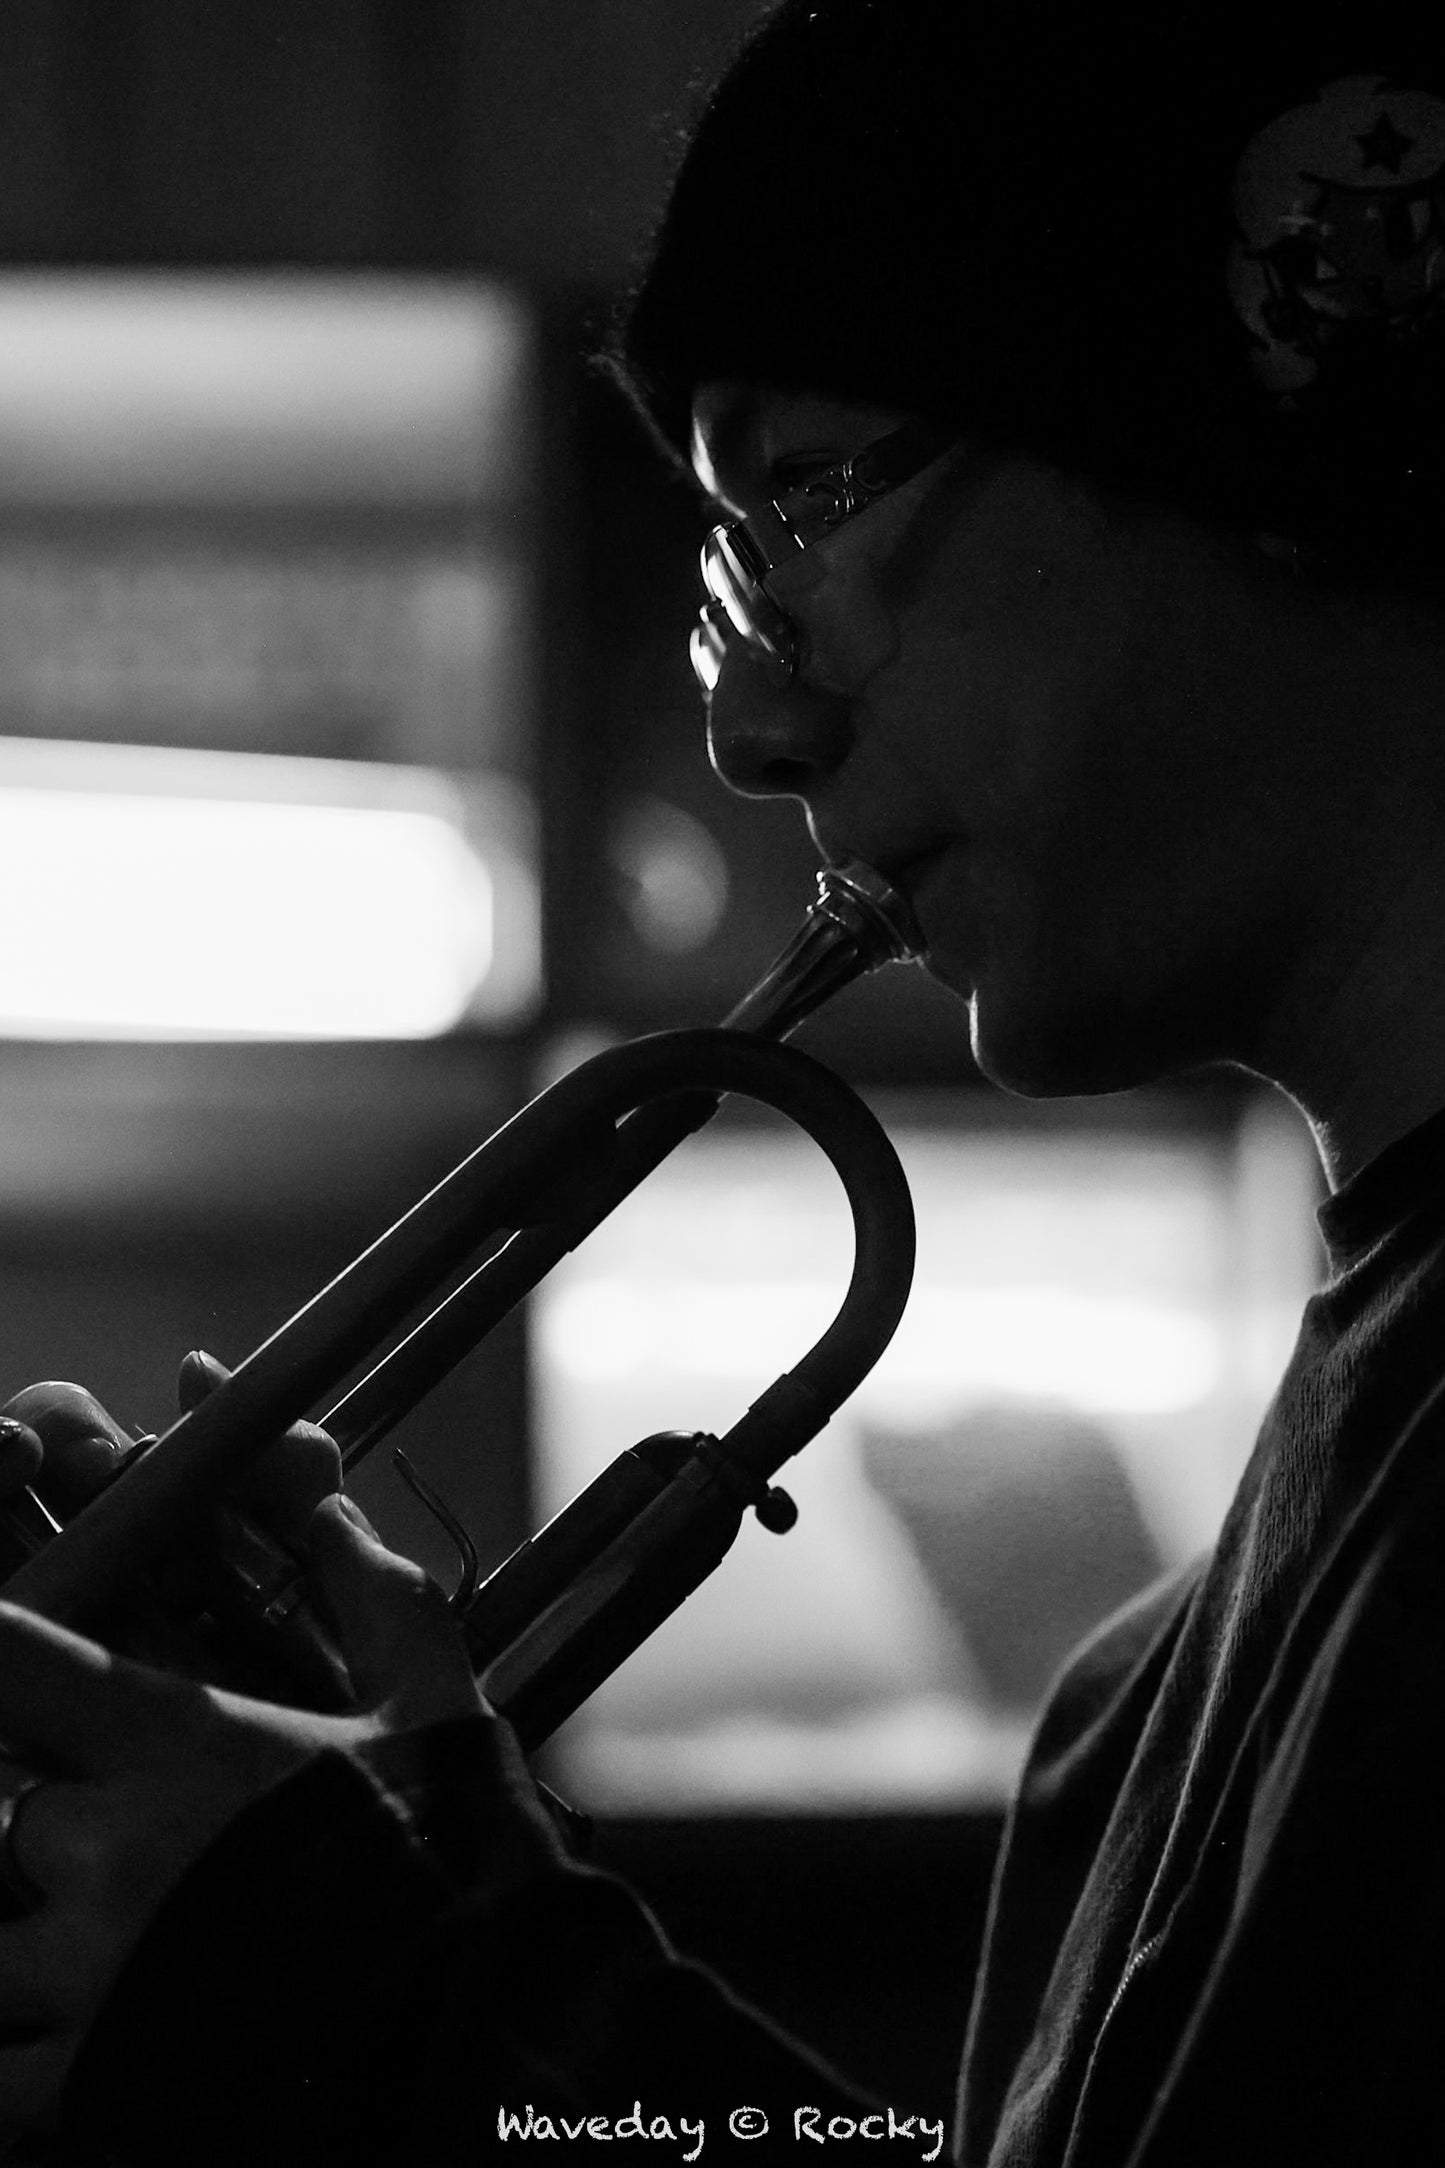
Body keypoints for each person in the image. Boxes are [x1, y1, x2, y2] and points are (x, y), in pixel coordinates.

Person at [7, 0, 1445, 2157]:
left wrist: (362, 1998)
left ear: (1250, 429)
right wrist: (450, 1874)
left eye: (800, 499)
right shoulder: (1142, 1688)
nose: (753, 735)